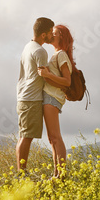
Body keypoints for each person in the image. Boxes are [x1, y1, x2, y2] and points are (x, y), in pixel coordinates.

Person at [16, 17, 54, 172]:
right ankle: (21, 173)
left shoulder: (28, 47)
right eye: (51, 32)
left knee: (24, 136)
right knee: (26, 137)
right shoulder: (40, 51)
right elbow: (45, 75)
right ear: (43, 35)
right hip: (31, 98)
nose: (52, 35)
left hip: (25, 96)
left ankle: (21, 171)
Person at [37, 24, 74, 179]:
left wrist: (47, 75)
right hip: (50, 96)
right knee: (52, 138)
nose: (52, 34)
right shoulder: (56, 55)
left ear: (61, 37)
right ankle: (57, 173)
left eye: (55, 33)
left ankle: (62, 174)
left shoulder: (62, 55)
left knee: (55, 136)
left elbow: (67, 81)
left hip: (52, 97)